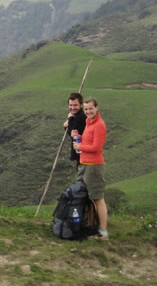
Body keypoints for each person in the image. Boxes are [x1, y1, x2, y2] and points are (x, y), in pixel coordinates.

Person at [72, 98, 109, 241]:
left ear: (97, 108)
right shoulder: (89, 122)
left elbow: (96, 147)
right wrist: (78, 138)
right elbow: (89, 142)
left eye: (90, 109)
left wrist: (79, 147)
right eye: (86, 109)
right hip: (85, 164)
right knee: (86, 197)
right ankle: (90, 226)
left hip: (94, 166)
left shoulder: (99, 125)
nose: (88, 111)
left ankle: (103, 232)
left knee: (98, 198)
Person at [63, 92, 86, 168]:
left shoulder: (80, 117)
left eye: (75, 105)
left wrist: (69, 120)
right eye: (70, 105)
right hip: (82, 153)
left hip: (83, 154)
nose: (72, 108)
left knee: (81, 178)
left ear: (81, 105)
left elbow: (73, 134)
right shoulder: (79, 115)